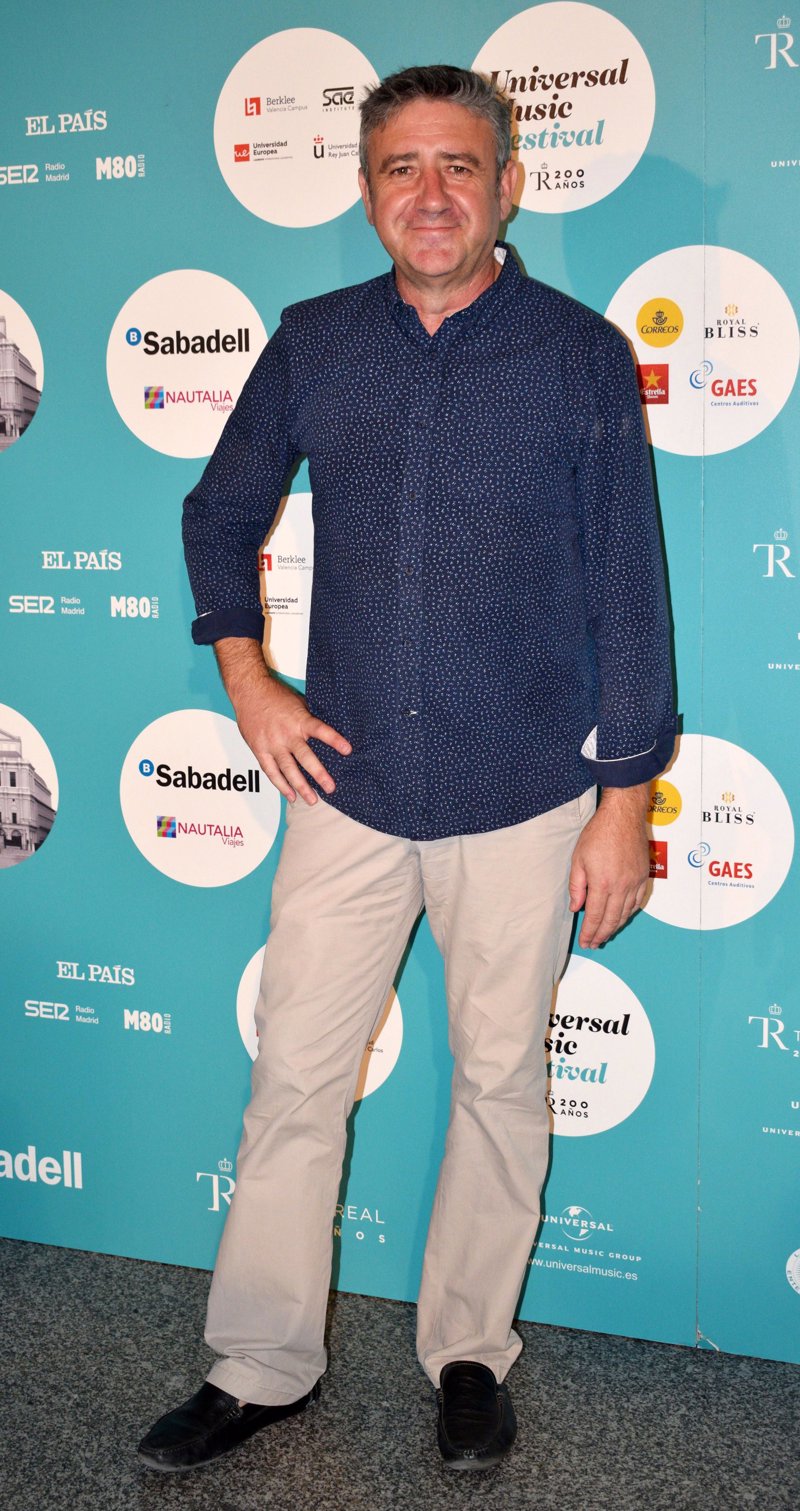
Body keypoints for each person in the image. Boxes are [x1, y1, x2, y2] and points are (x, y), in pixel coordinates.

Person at [138, 63, 674, 1475]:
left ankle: (469, 1356)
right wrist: (248, 676)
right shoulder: (315, 342)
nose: (430, 194)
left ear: (509, 186)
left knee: (499, 1084)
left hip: (528, 796)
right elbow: (217, 514)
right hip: (350, 790)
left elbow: (630, 588)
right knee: (294, 1084)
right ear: (368, 188)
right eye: (400, 168)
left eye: (458, 166)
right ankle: (260, 1363)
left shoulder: (578, 354)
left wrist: (624, 803)